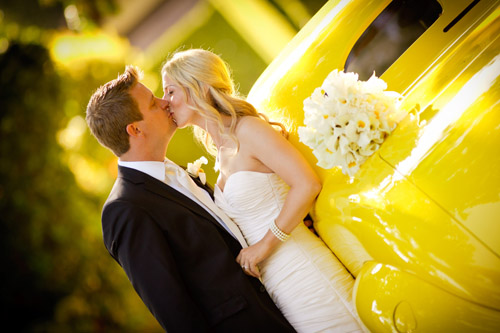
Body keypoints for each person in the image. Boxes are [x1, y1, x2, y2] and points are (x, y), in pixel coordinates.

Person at [162, 49, 364, 332]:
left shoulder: (249, 130)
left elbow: (307, 184)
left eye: (170, 91)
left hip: (306, 271)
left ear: (198, 86)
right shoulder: (220, 151)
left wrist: (264, 246)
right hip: (280, 288)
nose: (165, 102)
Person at [85, 66, 295, 332]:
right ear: (135, 130)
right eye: (153, 103)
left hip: (287, 302)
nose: (165, 103)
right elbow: (176, 313)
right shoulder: (126, 210)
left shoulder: (178, 171)